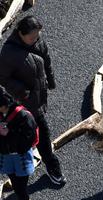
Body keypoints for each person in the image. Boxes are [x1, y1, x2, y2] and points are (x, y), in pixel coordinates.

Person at [0, 17, 63, 187]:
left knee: (28, 134)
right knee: (42, 134)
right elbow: (3, 78)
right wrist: (22, 91)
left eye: (38, 35)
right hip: (25, 103)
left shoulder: (37, 42)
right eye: (32, 36)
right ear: (21, 33)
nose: (36, 39)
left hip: (38, 97)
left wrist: (50, 80)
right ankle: (52, 167)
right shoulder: (8, 53)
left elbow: (46, 60)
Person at [0, 90, 39, 200]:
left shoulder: (23, 116)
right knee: (17, 187)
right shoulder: (2, 115)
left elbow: (26, 142)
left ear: (3, 105)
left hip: (21, 158)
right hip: (6, 157)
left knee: (21, 190)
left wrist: (8, 134)